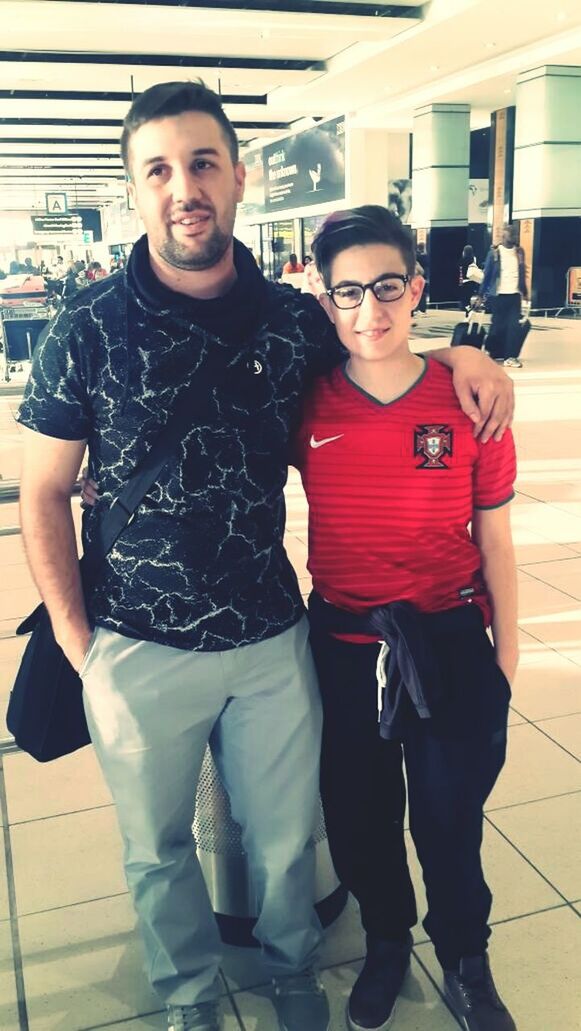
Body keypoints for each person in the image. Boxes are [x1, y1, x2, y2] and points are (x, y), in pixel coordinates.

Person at [17, 81, 513, 1031]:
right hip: (133, 639)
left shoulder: (291, 320)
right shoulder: (84, 329)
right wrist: (86, 653)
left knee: (287, 837)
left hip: (270, 635)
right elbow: (43, 492)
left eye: (202, 162)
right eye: (158, 169)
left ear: (239, 175)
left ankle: (294, 971)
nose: (184, 187)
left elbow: (377, 341)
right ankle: (188, 998)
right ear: (134, 189)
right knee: (155, 847)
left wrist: (467, 356)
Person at [294, 206, 518, 1031]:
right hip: (345, 641)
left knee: (449, 817)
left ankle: (465, 954)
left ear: (415, 286)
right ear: (325, 302)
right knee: (358, 814)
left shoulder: (466, 397)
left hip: (448, 634)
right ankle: (386, 937)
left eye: (386, 286)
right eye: (347, 292)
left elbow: (493, 529)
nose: (369, 309)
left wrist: (508, 652)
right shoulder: (307, 399)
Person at [479, 226, 528, 368]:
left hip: (514, 295)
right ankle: (492, 351)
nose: (516, 237)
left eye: (517, 234)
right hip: (498, 295)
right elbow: (487, 275)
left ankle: (510, 356)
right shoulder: (494, 253)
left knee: (513, 326)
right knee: (497, 327)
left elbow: (522, 272)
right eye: (513, 235)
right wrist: (481, 295)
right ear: (504, 236)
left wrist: (524, 292)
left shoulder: (519, 252)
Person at [459, 244, 483, 315]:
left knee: (465, 300)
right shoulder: (474, 259)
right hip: (473, 281)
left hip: (465, 282)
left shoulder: (462, 260)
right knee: (469, 298)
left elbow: (461, 271)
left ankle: (469, 311)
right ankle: (470, 311)